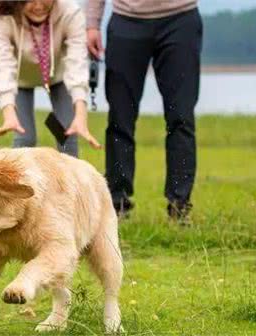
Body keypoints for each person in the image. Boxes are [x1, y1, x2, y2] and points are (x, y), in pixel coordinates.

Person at [86, 0, 202, 221]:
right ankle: (117, 204)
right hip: (126, 20)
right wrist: (92, 24)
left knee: (181, 118)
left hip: (181, 18)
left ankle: (179, 205)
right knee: (120, 119)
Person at [0, 0, 101, 157]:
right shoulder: (3, 18)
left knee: (68, 134)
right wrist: (9, 115)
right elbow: (3, 67)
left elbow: (77, 63)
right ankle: (18, 181)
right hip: (19, 81)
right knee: (25, 138)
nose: (38, 6)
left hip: (59, 77)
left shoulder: (71, 13)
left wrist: (80, 115)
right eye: (30, 0)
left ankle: (70, 181)